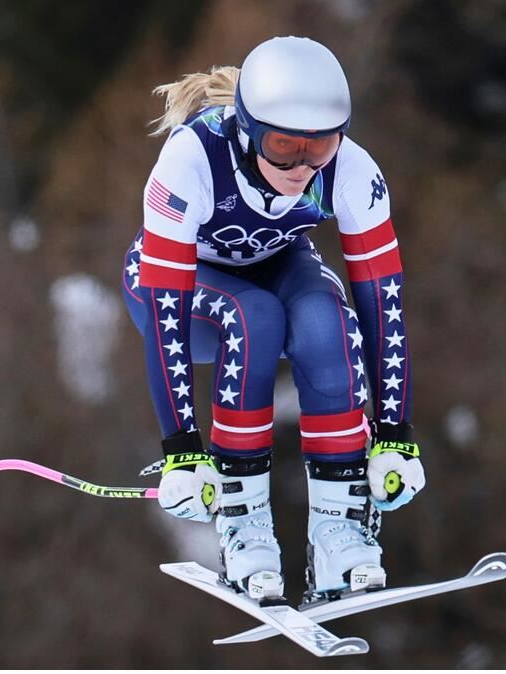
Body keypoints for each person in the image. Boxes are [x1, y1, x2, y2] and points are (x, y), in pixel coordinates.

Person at [121, 36, 425, 602]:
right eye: (283, 147)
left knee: (323, 320)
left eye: (320, 147)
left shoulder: (353, 170)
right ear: (247, 132)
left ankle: (340, 529)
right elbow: (167, 310)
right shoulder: (191, 161)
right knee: (253, 316)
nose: (302, 167)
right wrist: (183, 449)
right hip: (181, 292)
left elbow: (383, 304)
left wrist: (394, 437)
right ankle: (244, 524)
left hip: (277, 263)